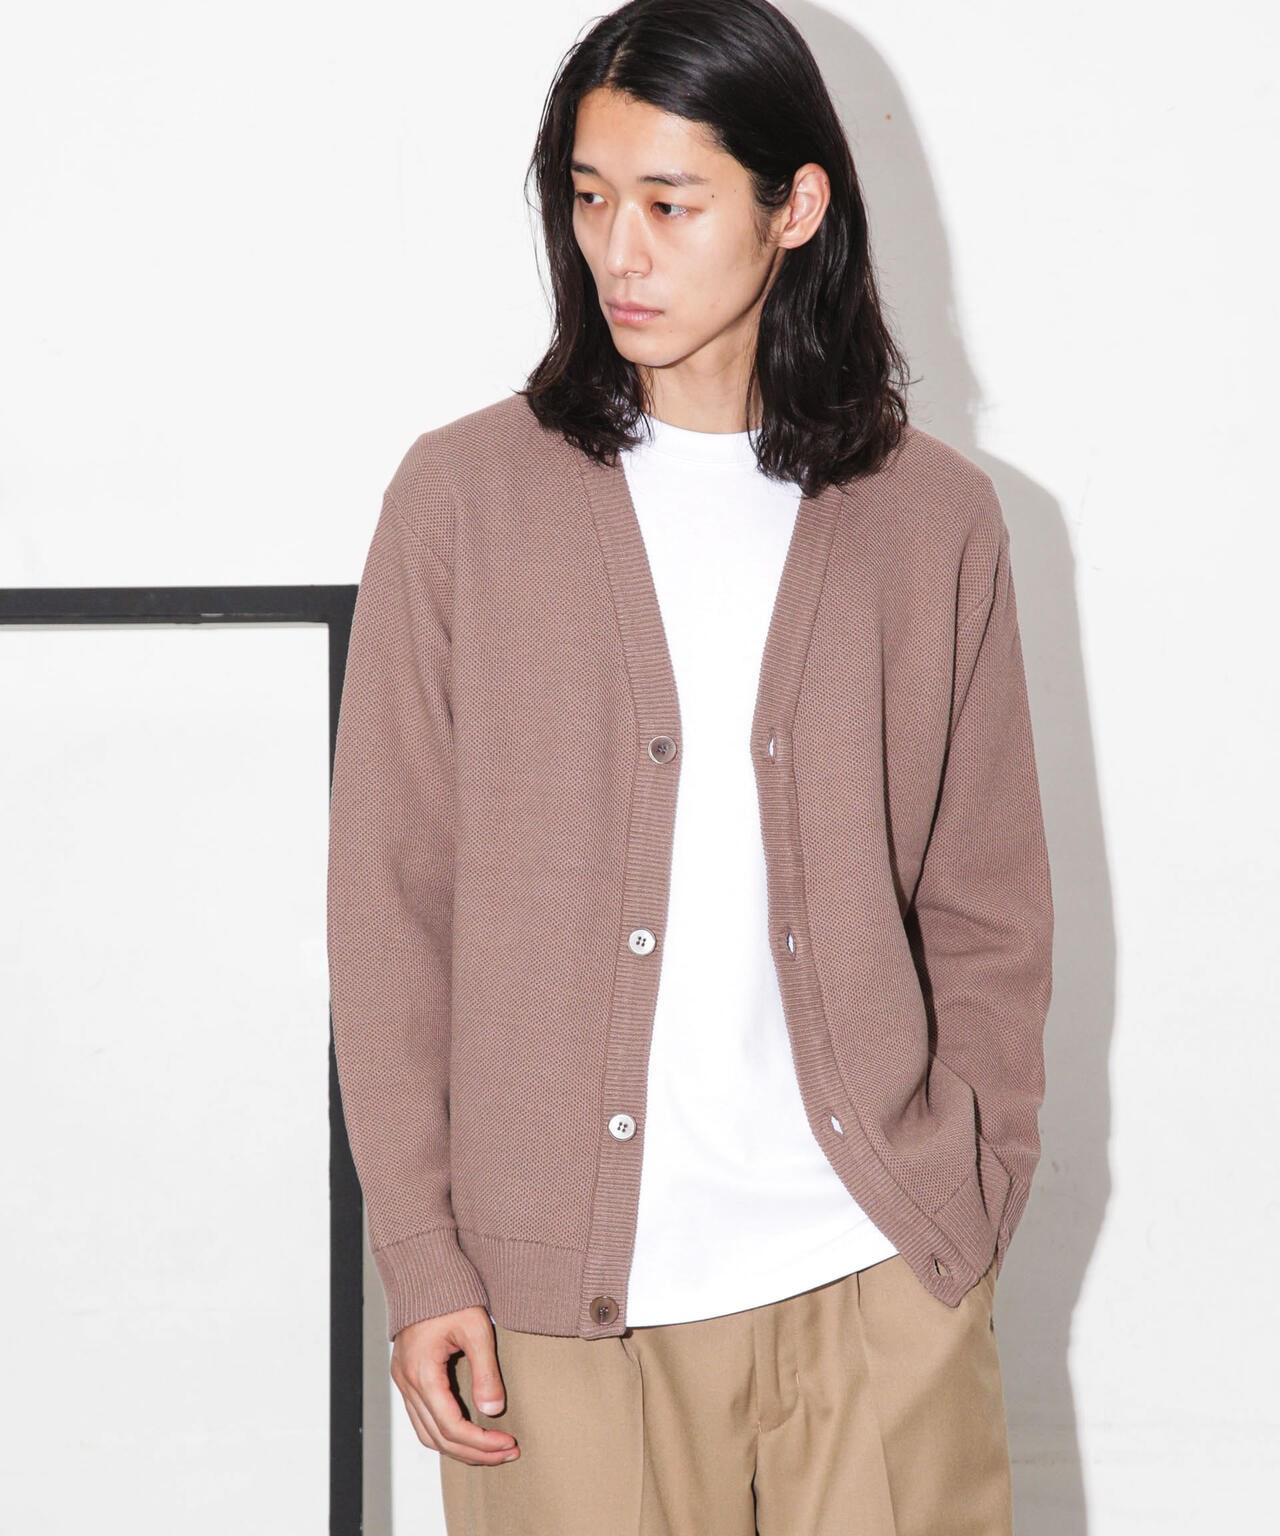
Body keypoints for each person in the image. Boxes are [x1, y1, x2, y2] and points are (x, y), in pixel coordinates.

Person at [326, 1, 1054, 1531]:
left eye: (671, 202)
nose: (620, 251)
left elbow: (986, 901)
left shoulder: (933, 519)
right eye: (590, 197)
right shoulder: (464, 500)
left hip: (872, 1270)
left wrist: (974, 1192)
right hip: (559, 1306)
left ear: (797, 206)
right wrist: (424, 1256)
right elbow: (389, 912)